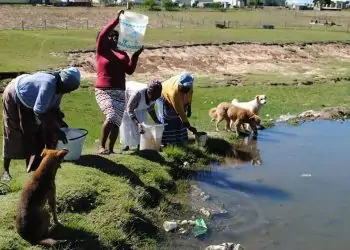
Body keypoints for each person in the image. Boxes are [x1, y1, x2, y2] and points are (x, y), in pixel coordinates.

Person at [1, 67, 81, 182]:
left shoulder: (61, 87)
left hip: (31, 103)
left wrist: (60, 123)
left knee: (40, 132)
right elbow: (39, 111)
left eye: (71, 90)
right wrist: (56, 130)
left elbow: (53, 109)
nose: (68, 92)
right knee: (14, 132)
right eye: (69, 89)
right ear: (63, 82)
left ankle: (36, 166)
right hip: (16, 94)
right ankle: (6, 171)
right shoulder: (48, 84)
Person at [95, 9, 144, 155]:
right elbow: (104, 32)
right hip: (104, 91)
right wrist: (117, 20)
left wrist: (135, 55)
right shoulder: (102, 50)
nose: (113, 38)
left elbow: (129, 70)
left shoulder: (122, 54)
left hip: (120, 91)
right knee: (111, 116)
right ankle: (101, 146)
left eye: (116, 37)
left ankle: (111, 149)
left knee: (117, 121)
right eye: (111, 36)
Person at [119, 80, 163, 151]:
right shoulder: (138, 94)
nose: (154, 99)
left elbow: (150, 108)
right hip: (126, 98)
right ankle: (126, 144)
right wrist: (137, 123)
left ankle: (140, 145)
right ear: (149, 92)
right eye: (153, 97)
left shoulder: (155, 94)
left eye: (156, 97)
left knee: (143, 124)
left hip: (139, 107)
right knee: (128, 124)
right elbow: (129, 110)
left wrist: (156, 120)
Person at [157, 72, 197, 145]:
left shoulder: (189, 83)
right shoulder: (174, 93)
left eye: (186, 90)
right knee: (169, 116)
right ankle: (166, 142)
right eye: (183, 90)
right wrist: (189, 127)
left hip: (175, 94)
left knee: (180, 118)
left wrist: (189, 108)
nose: (185, 93)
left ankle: (180, 139)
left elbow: (190, 95)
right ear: (180, 85)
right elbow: (180, 113)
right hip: (163, 94)